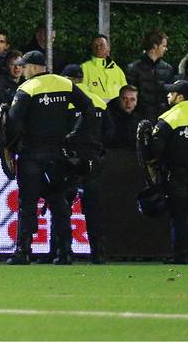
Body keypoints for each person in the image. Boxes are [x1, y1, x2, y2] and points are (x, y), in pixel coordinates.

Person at [5, 50, 93, 265]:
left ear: (34, 67)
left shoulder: (27, 88)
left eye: (25, 67)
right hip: (58, 152)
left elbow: (13, 122)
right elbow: (89, 108)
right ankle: (64, 252)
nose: (22, 71)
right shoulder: (65, 84)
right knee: (58, 201)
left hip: (32, 153)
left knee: (28, 202)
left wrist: (11, 145)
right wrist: (74, 134)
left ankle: (23, 252)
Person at [62, 64, 115, 264]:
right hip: (93, 159)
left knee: (62, 206)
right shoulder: (99, 101)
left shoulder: (65, 100)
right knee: (93, 208)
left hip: (69, 159)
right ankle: (98, 253)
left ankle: (63, 252)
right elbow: (110, 132)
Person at [150, 79, 188, 264]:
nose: (168, 95)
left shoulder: (169, 118)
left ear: (180, 97)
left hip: (178, 176)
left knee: (180, 217)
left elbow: (155, 148)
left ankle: (182, 256)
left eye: (172, 92)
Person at [126, 30, 174, 120]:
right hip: (140, 119)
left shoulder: (168, 69)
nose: (166, 49)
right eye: (164, 46)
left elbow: (170, 96)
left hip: (162, 120)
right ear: (155, 46)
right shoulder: (134, 68)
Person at [82, 35, 128, 103]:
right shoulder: (84, 68)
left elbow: (126, 92)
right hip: (95, 110)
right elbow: (81, 92)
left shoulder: (118, 70)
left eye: (101, 45)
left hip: (115, 111)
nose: (98, 47)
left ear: (108, 48)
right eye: (95, 45)